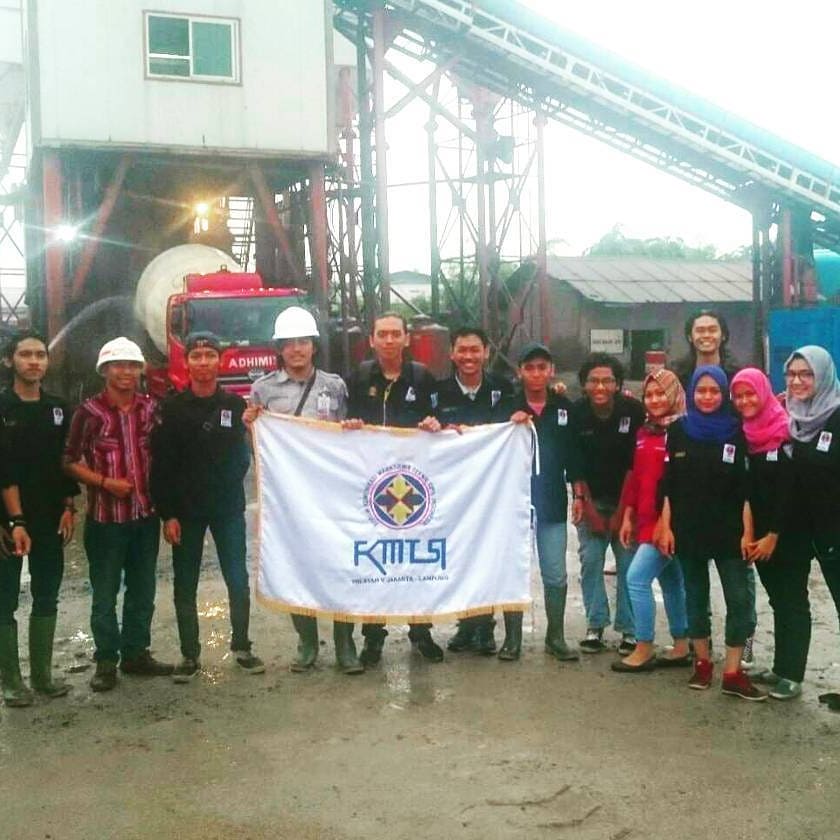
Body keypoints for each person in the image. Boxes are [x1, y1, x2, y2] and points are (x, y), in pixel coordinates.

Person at [246, 306, 363, 675]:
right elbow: (258, 446)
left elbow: (347, 436)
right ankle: (307, 642)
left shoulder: (334, 386)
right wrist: (250, 426)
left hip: (332, 495)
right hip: (289, 499)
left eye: (303, 342)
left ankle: (345, 644)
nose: (296, 349)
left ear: (314, 345)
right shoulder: (263, 390)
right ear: (279, 349)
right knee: (296, 566)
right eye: (289, 343)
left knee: (341, 566)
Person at [150, 331, 264, 683]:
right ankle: (189, 654)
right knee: (185, 583)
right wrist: (167, 513)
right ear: (186, 363)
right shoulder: (171, 408)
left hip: (227, 507)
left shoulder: (234, 406)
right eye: (196, 356)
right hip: (186, 511)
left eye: (210, 356)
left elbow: (245, 455)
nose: (203, 362)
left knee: (237, 579)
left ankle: (242, 646)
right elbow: (162, 465)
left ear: (220, 360)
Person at [64, 337, 173, 692]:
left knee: (143, 591)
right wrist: (104, 482)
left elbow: (166, 454)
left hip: (144, 517)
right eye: (118, 365)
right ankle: (106, 661)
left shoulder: (151, 409)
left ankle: (136, 653)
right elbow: (68, 461)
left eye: (132, 365)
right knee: (105, 594)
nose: (126, 371)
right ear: (105, 371)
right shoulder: (88, 413)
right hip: (106, 521)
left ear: (141, 370)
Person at [656, 365, 765, 700]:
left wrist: (747, 533)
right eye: (701, 390)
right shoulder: (679, 430)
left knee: (739, 600)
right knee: (695, 598)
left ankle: (733, 671)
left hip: (730, 532)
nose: (707, 397)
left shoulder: (737, 430)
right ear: (692, 393)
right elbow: (669, 485)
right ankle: (702, 662)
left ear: (724, 394)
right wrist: (665, 526)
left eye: (714, 391)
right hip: (688, 529)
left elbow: (747, 489)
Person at [345, 312, 444, 665]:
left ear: (406, 338)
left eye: (395, 334)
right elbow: (346, 423)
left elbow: (440, 420)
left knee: (414, 560)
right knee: (375, 560)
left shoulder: (422, 377)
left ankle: (421, 631)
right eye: (382, 334)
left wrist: (435, 423)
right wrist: (350, 425)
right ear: (371, 340)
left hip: (412, 485)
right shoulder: (359, 378)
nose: (389, 340)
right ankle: (373, 637)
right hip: (373, 486)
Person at [0, 331, 78, 706]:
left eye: (40, 355)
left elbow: (65, 462)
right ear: (9, 361)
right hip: (7, 522)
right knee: (4, 599)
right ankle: (12, 681)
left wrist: (69, 507)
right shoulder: (2, 408)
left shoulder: (58, 408)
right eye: (25, 354)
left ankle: (43, 676)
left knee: (47, 593)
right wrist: (13, 522)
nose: (34, 361)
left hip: (49, 517)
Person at [433, 327, 512, 656]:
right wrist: (435, 428)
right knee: (459, 556)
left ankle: (485, 627)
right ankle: (466, 624)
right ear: (452, 353)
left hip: (491, 489)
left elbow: (522, 419)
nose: (469, 356)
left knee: (486, 556)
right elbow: (424, 432)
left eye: (475, 350)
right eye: (462, 350)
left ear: (486, 353)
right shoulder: (438, 393)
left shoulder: (503, 389)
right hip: (452, 490)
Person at [730, 367, 805, 700]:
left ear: (763, 392)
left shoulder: (786, 432)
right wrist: (751, 534)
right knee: (777, 599)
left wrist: (774, 534)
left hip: (787, 533)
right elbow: (747, 491)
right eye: (739, 396)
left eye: (750, 394)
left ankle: (793, 675)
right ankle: (780, 667)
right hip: (759, 536)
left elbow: (790, 492)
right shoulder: (745, 435)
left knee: (793, 601)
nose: (745, 401)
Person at [505, 342, 579, 662]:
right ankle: (512, 639)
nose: (536, 373)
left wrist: (579, 494)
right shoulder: (507, 406)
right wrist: (508, 424)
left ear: (551, 371)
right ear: (520, 371)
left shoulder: (565, 407)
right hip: (513, 504)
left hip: (551, 502)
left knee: (555, 572)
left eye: (542, 367)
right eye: (529, 367)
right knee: (513, 572)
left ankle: (556, 636)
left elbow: (575, 456)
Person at [567, 353, 644, 654]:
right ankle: (595, 625)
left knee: (628, 565)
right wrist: (586, 506)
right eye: (593, 381)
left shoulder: (633, 411)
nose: (600, 387)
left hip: (627, 499)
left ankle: (630, 630)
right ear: (584, 385)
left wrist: (624, 512)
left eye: (607, 381)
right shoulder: (576, 413)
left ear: (618, 384)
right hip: (590, 497)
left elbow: (634, 465)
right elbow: (574, 463)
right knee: (590, 561)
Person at [613, 369, 689, 672]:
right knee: (672, 582)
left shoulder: (682, 432)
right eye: (649, 395)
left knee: (636, 579)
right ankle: (682, 645)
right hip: (645, 520)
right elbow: (637, 477)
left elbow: (679, 485)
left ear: (674, 394)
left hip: (667, 525)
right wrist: (628, 515)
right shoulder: (645, 432)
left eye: (661, 393)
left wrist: (665, 524)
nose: (655, 400)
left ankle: (643, 646)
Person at [784, 347, 840, 707]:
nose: (798, 381)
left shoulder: (837, 416)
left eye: (806, 374)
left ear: (823, 376)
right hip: (810, 535)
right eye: (792, 374)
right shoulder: (793, 419)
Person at [671, 309, 740, 389]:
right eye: (700, 331)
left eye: (712, 330)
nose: (706, 335)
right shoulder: (677, 376)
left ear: (723, 335)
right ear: (690, 337)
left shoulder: (736, 375)